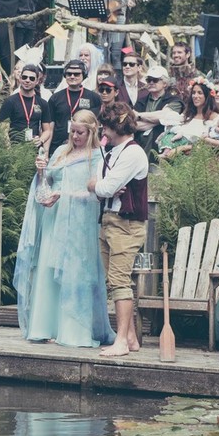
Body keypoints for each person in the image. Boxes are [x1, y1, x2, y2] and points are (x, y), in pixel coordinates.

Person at [14, 109, 115, 347]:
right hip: (54, 218)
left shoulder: (98, 157)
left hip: (80, 223)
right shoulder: (60, 151)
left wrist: (65, 194)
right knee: (48, 270)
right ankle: (44, 326)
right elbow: (46, 185)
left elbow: (96, 194)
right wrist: (41, 172)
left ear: (91, 132)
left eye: (80, 133)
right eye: (72, 132)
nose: (75, 137)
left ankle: (73, 331)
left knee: (75, 271)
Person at [89, 101, 148, 358]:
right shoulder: (113, 152)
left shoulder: (133, 153)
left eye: (105, 126)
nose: (103, 131)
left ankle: (121, 341)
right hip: (109, 220)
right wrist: (100, 186)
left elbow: (102, 188)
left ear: (116, 126)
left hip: (126, 225)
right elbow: (101, 188)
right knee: (111, 282)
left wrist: (98, 185)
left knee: (120, 282)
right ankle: (132, 338)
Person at [157, 78, 219, 160]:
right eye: (193, 93)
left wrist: (182, 148)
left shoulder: (213, 117)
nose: (195, 96)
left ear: (207, 96)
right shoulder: (188, 114)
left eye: (200, 93)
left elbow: (210, 145)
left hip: (196, 161)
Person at [0, 63, 52, 151]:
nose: (27, 80)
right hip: (14, 149)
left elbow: (47, 130)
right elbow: (2, 129)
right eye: (24, 77)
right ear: (20, 78)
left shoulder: (42, 103)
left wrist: (41, 140)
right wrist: (8, 149)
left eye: (32, 78)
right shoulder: (10, 101)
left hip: (34, 149)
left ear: (37, 81)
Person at [48, 59, 101, 148]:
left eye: (76, 74)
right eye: (69, 74)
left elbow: (96, 125)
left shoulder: (94, 97)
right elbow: (50, 127)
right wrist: (46, 151)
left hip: (85, 146)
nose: (72, 76)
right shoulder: (55, 98)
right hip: (58, 146)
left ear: (83, 75)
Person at [134, 65, 183, 156]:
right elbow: (134, 125)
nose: (151, 82)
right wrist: (161, 120)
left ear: (165, 83)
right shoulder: (141, 101)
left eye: (155, 80)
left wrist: (139, 115)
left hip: (162, 151)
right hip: (140, 149)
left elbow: (164, 115)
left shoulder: (174, 100)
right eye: (149, 80)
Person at [96, 0, 135, 70]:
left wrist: (131, 3)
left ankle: (117, 79)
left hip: (119, 23)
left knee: (116, 54)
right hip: (105, 23)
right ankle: (104, 74)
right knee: (104, 53)